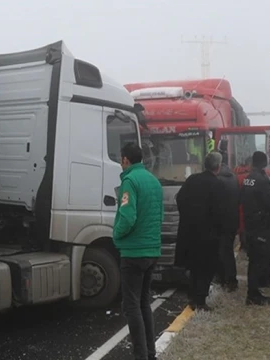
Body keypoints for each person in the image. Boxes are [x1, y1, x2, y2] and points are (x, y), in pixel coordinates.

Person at [113, 143, 164, 360]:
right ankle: (150, 353)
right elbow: (158, 215)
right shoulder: (153, 181)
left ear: (125, 160)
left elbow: (127, 216)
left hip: (133, 252)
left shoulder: (129, 181)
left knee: (131, 306)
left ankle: (140, 355)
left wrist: (116, 235)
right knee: (144, 303)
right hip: (152, 250)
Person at [175, 152, 225, 311]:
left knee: (194, 266)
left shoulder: (192, 180)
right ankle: (200, 300)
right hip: (208, 235)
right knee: (207, 267)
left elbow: (179, 199)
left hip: (189, 232)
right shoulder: (217, 184)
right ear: (218, 166)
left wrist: (187, 216)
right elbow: (220, 211)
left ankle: (192, 296)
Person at [240, 151, 270, 305]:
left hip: (250, 223)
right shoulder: (263, 180)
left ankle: (254, 291)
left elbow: (242, 198)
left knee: (253, 259)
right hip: (261, 225)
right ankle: (253, 294)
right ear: (265, 163)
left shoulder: (248, 179)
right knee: (258, 260)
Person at [216, 155, 241, 292]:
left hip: (221, 222)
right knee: (228, 251)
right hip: (232, 220)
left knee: (222, 252)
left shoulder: (218, 180)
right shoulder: (233, 178)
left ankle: (226, 279)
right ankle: (230, 279)